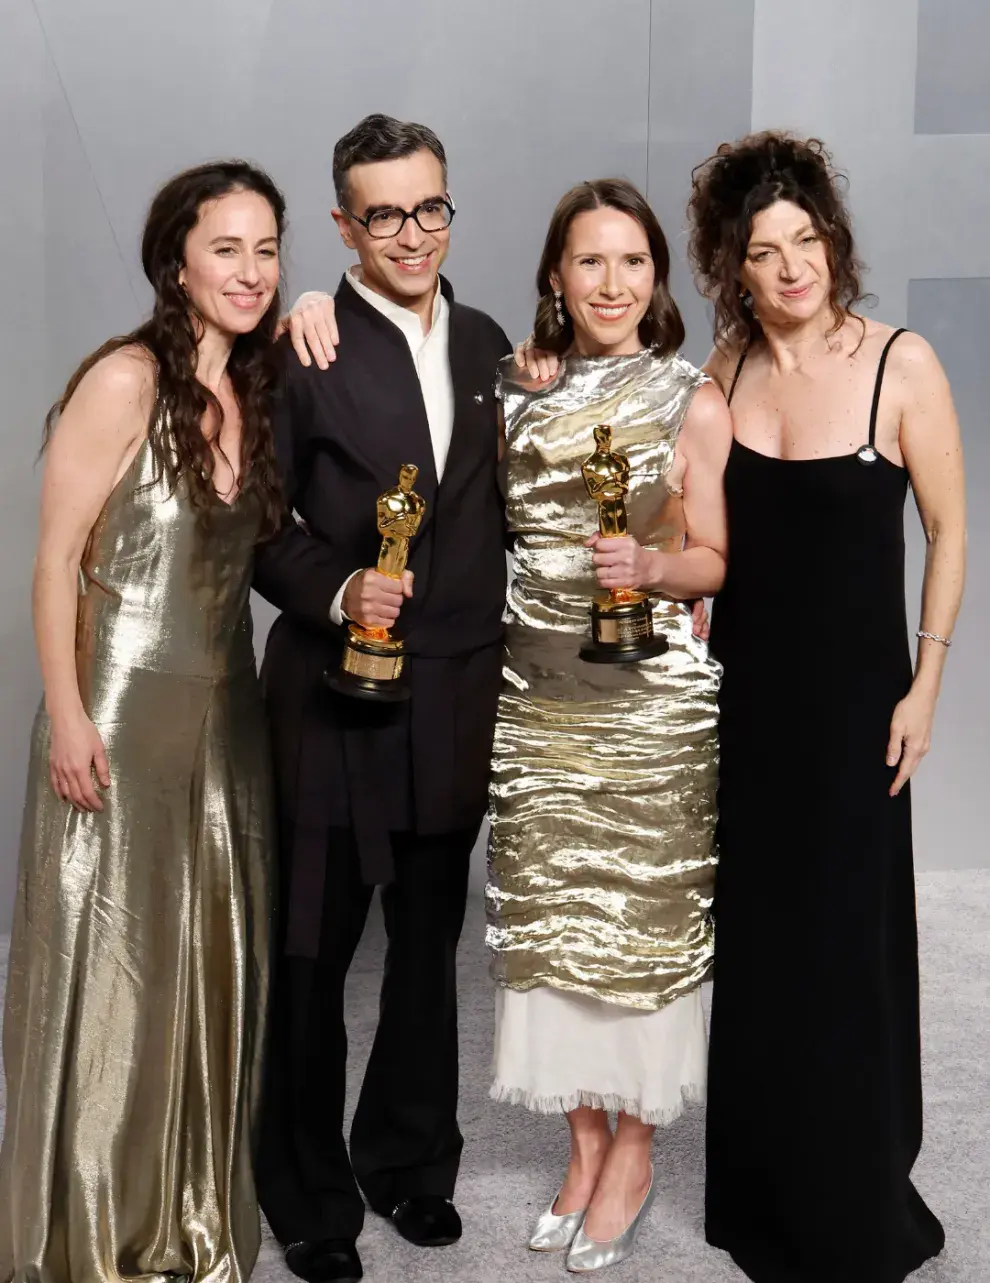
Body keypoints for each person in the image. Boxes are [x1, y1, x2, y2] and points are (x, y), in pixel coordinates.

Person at [0, 161, 284, 1283]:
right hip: (115, 714)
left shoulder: (256, 391)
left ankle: (182, 1214)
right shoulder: (122, 379)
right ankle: (88, 1231)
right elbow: (55, 560)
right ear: (177, 260)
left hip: (229, 724)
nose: (251, 272)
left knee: (202, 969)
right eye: (227, 249)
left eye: (268, 250)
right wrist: (67, 714)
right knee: (112, 971)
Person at [688, 132, 965, 1283]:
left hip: (860, 713)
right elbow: (701, 541)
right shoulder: (724, 375)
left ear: (831, 244)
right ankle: (762, 1187)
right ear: (734, 268)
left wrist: (928, 681)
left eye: (806, 239)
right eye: (765, 249)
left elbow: (950, 530)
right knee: (762, 951)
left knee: (849, 951)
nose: (792, 265)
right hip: (749, 711)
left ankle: (854, 1186)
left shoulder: (904, 363)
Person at [250, 114, 510, 1283]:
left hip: (454, 697)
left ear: (451, 206)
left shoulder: (495, 345)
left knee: (426, 948)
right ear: (348, 224)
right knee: (310, 955)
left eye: (432, 207)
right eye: (387, 214)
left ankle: (408, 1162)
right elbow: (256, 525)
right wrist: (343, 581)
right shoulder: (298, 345)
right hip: (329, 699)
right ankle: (305, 1190)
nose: (415, 233)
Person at [487, 178, 732, 1274]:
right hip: (537, 698)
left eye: (633, 261)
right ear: (554, 275)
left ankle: (634, 1152)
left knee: (639, 929)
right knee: (551, 925)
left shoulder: (694, 396)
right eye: (590, 261)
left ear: (657, 279)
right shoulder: (514, 392)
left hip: (650, 704)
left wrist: (655, 563)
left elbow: (715, 558)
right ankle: (581, 1145)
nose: (612, 283)